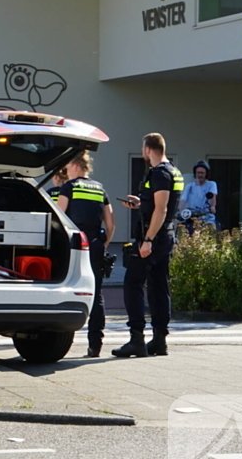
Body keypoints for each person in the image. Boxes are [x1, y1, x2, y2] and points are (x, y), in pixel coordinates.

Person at [114, 133, 183, 358]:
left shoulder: (161, 173)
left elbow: (162, 208)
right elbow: (158, 204)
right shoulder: (173, 170)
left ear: (148, 150)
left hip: (155, 237)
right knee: (158, 286)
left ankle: (136, 339)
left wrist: (148, 240)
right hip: (165, 236)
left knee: (132, 283)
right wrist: (140, 204)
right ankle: (159, 341)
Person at [55, 150, 115, 357]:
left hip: (75, 246)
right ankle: (95, 345)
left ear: (75, 166)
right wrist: (104, 243)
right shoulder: (100, 188)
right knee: (96, 294)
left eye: (67, 167)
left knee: (67, 289)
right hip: (96, 244)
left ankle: (58, 340)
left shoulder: (68, 187)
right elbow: (111, 223)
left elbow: (60, 219)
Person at [180, 160, 218, 230]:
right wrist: (178, 211)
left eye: (202, 173)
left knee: (211, 231)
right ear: (195, 173)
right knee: (182, 230)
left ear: (206, 174)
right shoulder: (190, 186)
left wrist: (212, 206)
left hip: (206, 217)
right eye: (198, 173)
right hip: (192, 216)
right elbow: (183, 200)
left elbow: (212, 199)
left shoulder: (211, 184)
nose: (200, 175)